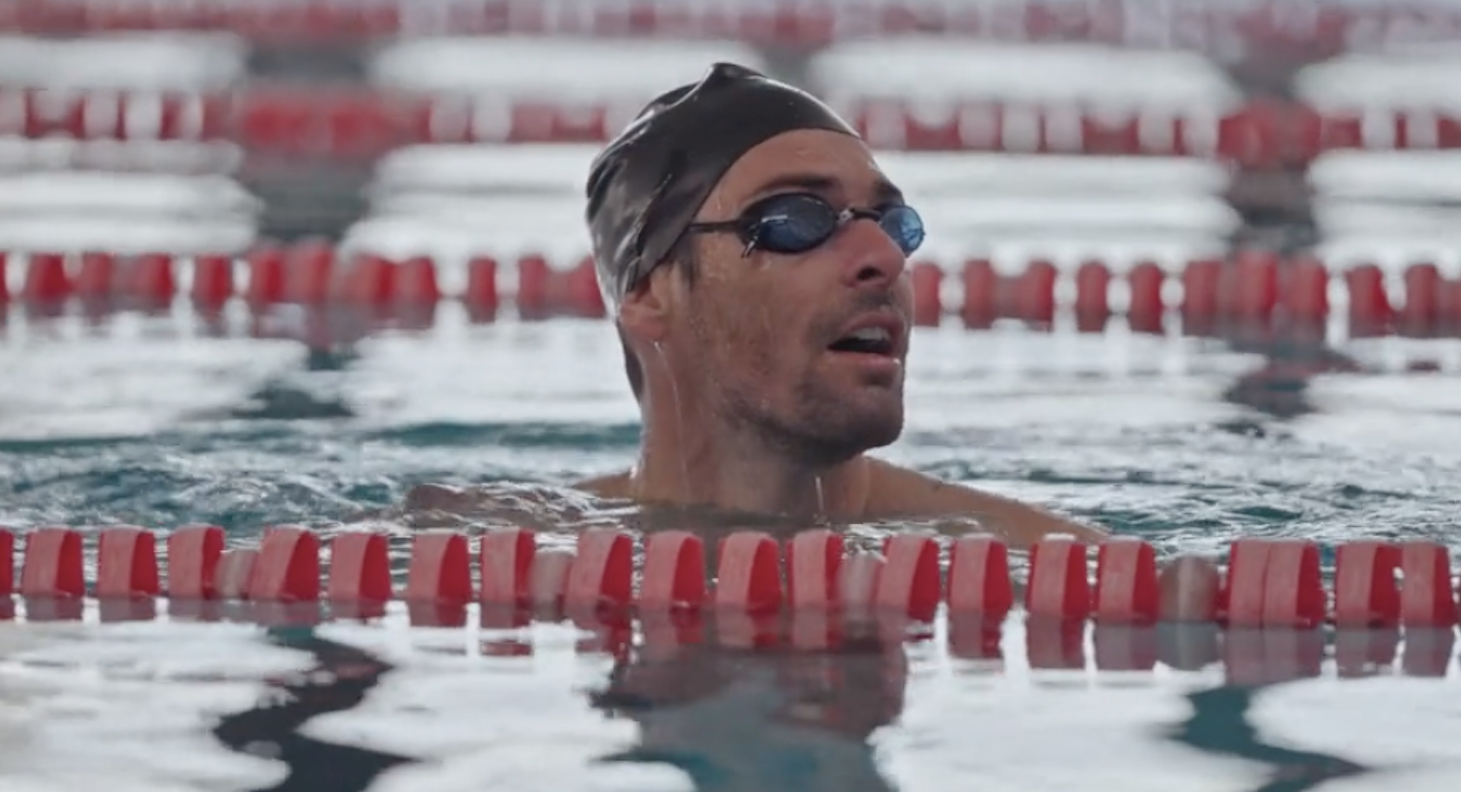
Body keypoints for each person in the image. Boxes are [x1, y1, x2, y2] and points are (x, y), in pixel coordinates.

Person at [406, 61, 1107, 547]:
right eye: (797, 218)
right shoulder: (479, 544)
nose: (885, 259)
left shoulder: (1039, 558)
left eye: (894, 225)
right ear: (651, 291)